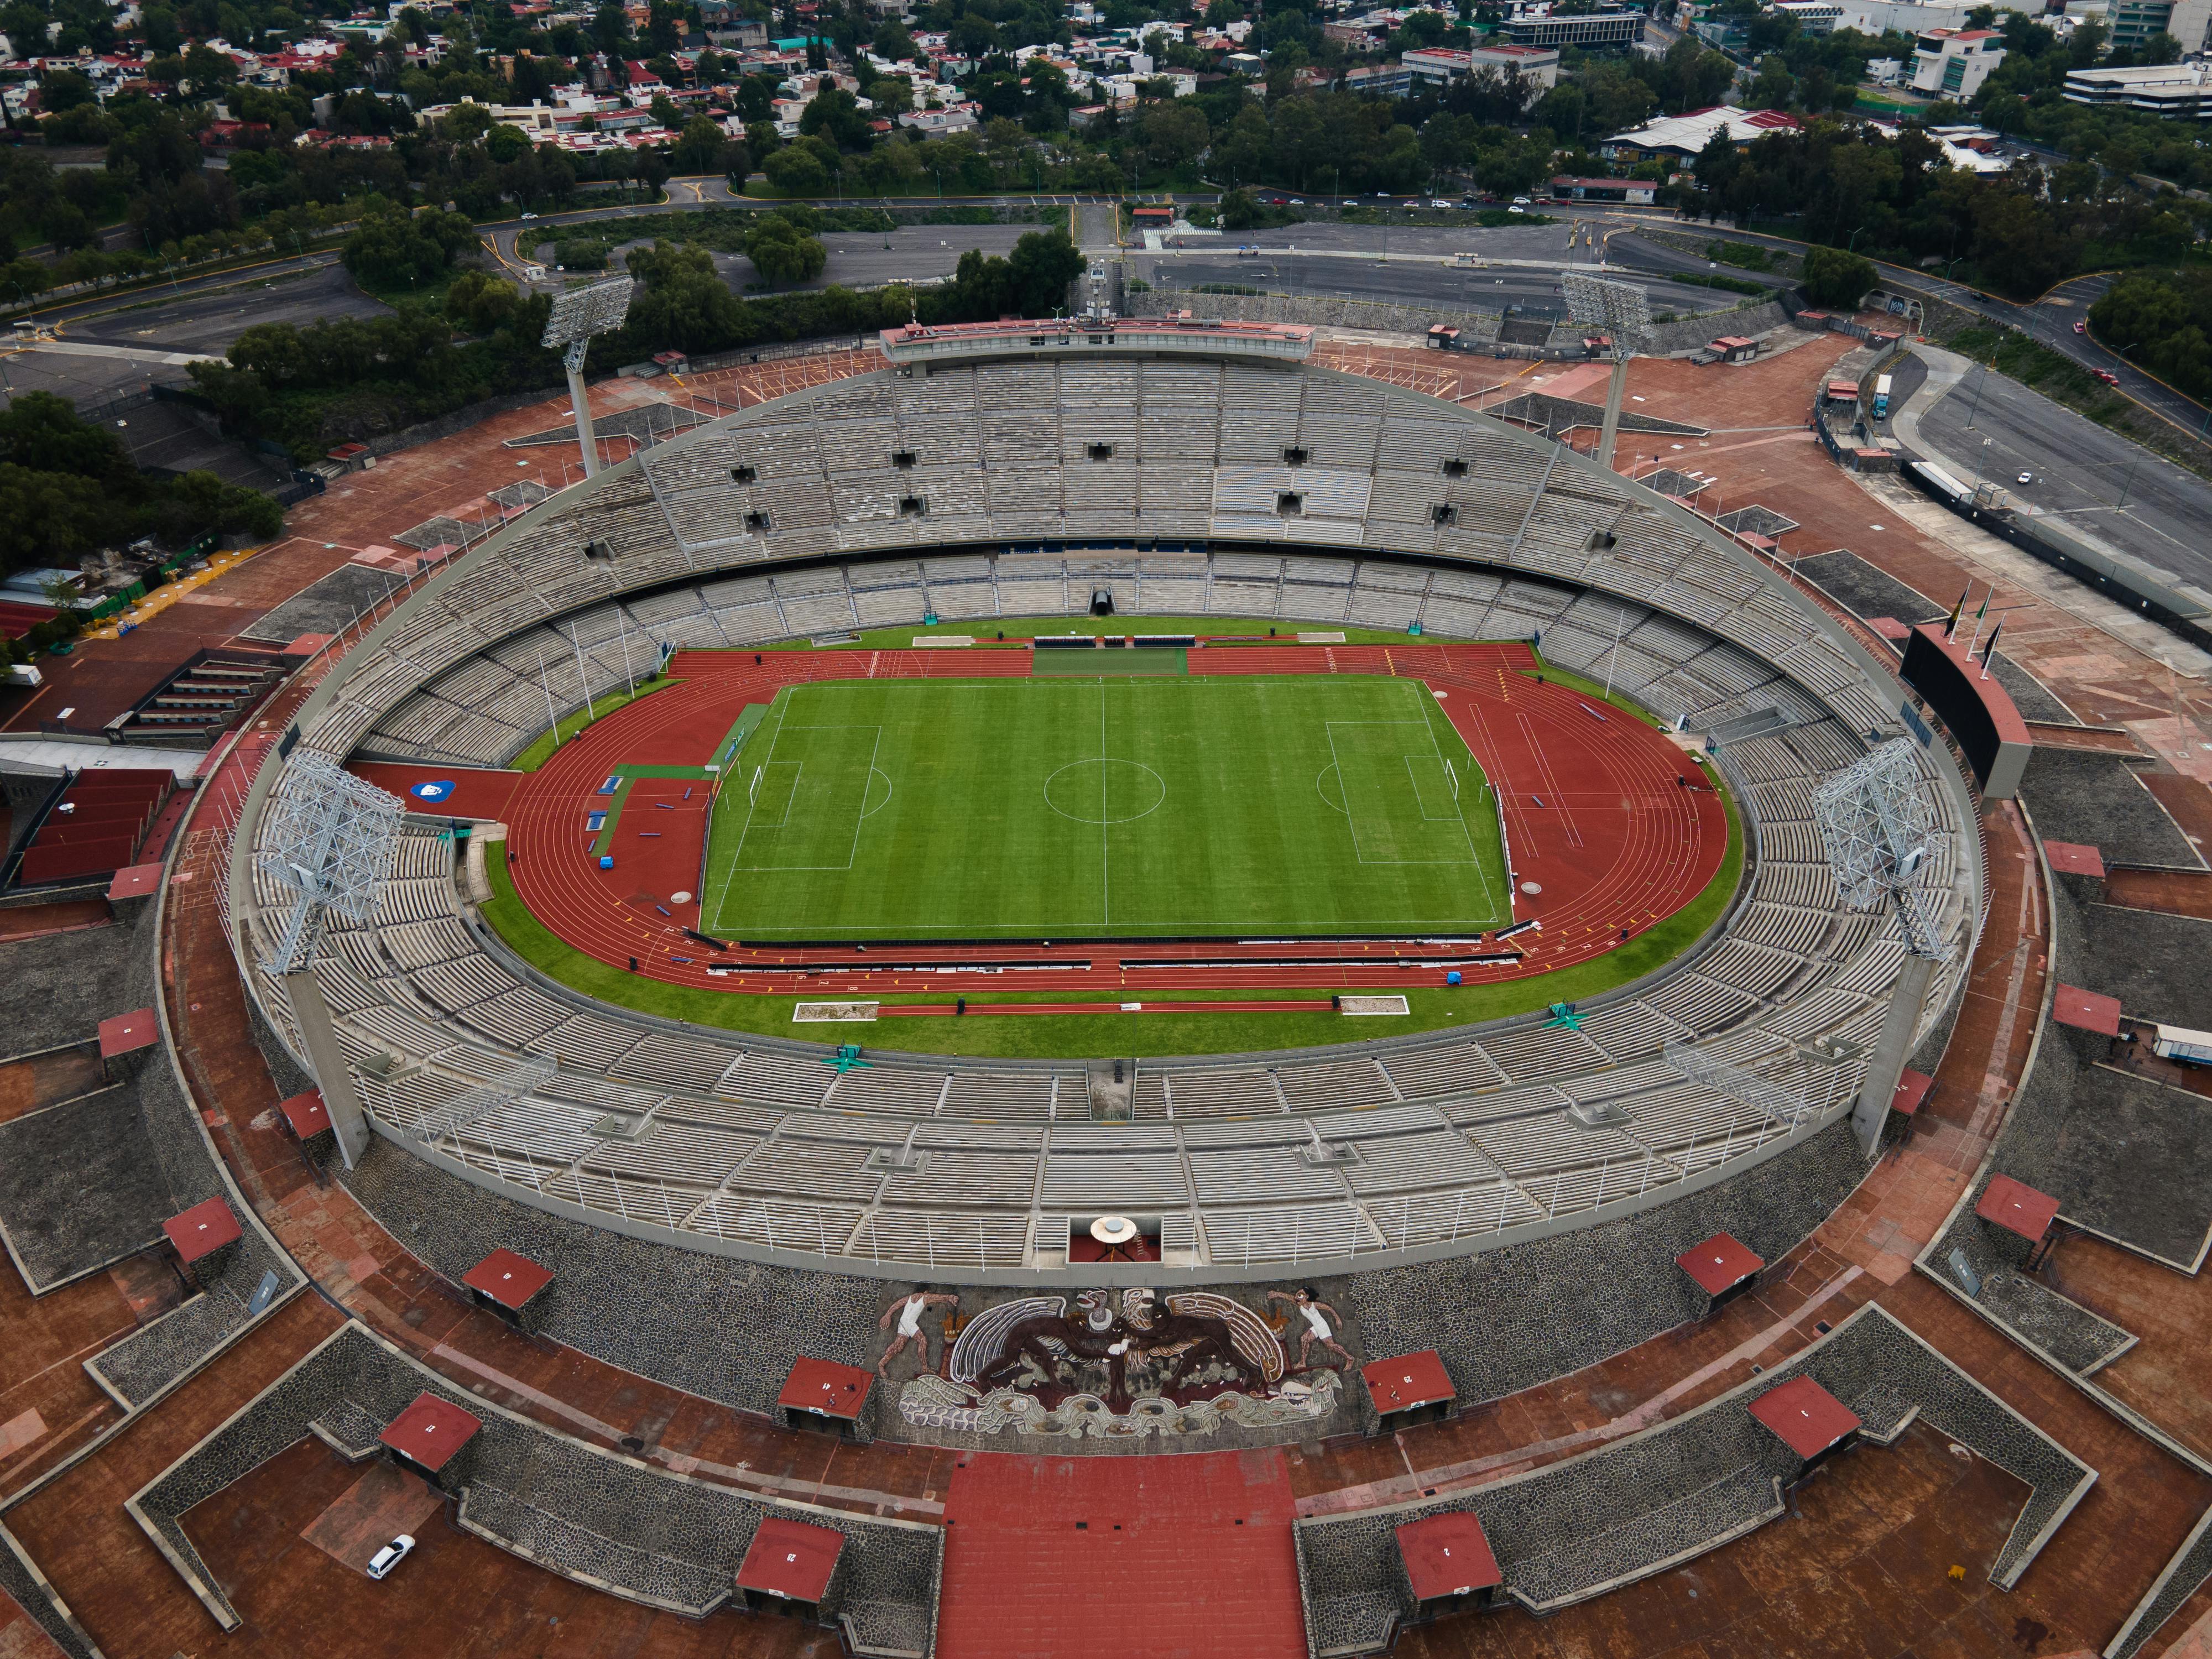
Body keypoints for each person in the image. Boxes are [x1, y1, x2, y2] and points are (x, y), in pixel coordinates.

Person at [1266, 1286, 1352, 1370]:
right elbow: (1288, 1297)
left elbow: (1329, 1308)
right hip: (1316, 1327)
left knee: (1331, 1346)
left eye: (1300, 1296)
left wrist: (1337, 1319)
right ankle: (1303, 1363)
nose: (1296, 1298)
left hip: (1322, 1327)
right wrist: (1276, 1294)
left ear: (1307, 1297)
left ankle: (1349, 1358)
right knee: (1304, 1339)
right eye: (1297, 1295)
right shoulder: (1300, 1304)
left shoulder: (1314, 1305)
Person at [878, 1289, 959, 1376]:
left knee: (898, 1347)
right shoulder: (924, 1297)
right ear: (926, 1292)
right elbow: (937, 1298)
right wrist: (950, 1298)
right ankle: (925, 1367)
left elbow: (897, 1305)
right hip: (909, 1323)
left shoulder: (908, 1298)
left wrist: (888, 1315)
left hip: (902, 1322)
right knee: (922, 1341)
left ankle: (881, 1364)